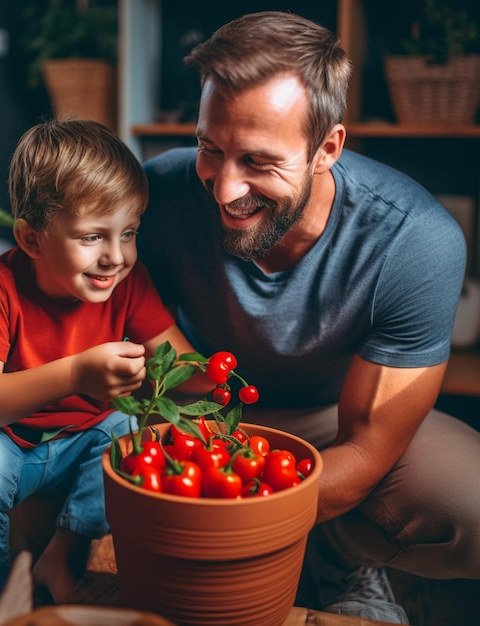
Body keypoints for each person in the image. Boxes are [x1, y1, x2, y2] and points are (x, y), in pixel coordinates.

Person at [138, 10, 480, 624]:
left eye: (260, 163)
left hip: (336, 420)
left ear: (327, 148)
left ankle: (336, 558)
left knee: (472, 506)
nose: (224, 189)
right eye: (210, 149)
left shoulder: (417, 239)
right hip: (199, 410)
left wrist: (223, 527)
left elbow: (366, 451)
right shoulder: (156, 194)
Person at [0, 119, 211, 606]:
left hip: (85, 443)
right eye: (92, 237)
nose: (116, 257)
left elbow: (186, 369)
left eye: (128, 233)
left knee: (131, 427)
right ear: (32, 240)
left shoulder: (129, 282)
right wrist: (76, 373)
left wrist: (198, 374)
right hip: (9, 447)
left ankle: (64, 552)